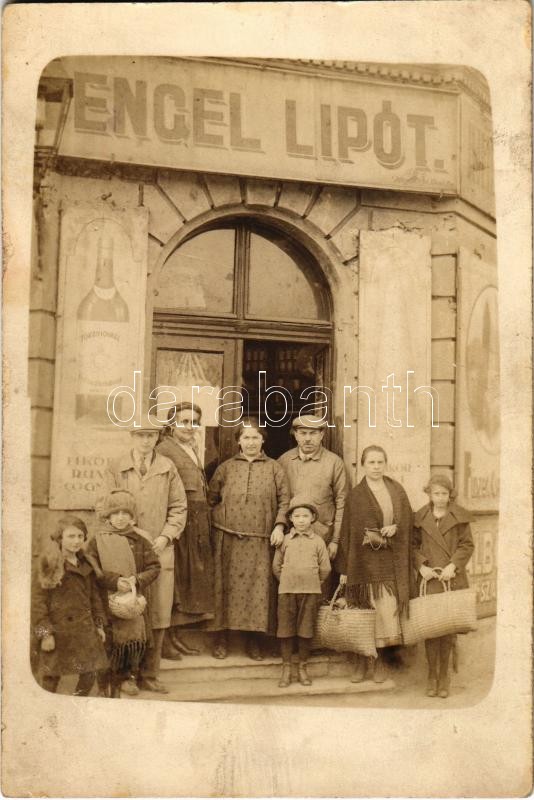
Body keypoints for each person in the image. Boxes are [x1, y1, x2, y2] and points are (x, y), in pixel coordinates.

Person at [99, 417, 187, 694]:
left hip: (159, 549)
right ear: (132, 436)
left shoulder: (167, 467)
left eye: (151, 435)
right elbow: (104, 504)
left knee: (158, 613)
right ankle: (126, 675)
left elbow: (179, 507)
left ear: (158, 437)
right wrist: (131, 530)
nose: (146, 440)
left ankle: (150, 674)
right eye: (140, 435)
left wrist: (165, 536)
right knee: (127, 609)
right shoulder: (116, 466)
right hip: (123, 546)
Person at [208, 418, 290, 660]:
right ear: (238, 441)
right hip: (228, 539)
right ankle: (221, 639)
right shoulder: (225, 468)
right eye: (246, 437)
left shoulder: (275, 468)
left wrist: (279, 526)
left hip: (260, 541)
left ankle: (254, 641)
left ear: (263, 440)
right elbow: (211, 499)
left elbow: (285, 501)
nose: (251, 442)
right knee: (224, 588)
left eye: (256, 437)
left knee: (258, 590)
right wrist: (218, 525)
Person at [336, 445, 413, 683]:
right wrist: (345, 569)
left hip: (388, 562)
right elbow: (347, 532)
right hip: (361, 564)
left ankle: (380, 662)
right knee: (362, 613)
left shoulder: (396, 490)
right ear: (363, 465)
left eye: (380, 462)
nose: (376, 467)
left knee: (384, 615)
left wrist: (396, 527)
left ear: (385, 464)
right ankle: (361, 663)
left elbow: (408, 521)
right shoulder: (356, 496)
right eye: (371, 462)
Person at [87, 489, 160, 698]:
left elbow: (154, 567)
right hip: (107, 599)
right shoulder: (97, 541)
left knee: (132, 639)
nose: (120, 518)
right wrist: (115, 581)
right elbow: (92, 569)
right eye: (115, 513)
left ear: (132, 517)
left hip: (131, 600)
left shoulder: (140, 540)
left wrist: (136, 580)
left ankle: (129, 677)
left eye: (125, 513)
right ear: (108, 516)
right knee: (108, 641)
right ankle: (105, 683)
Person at [156, 403, 213, 659]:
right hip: (179, 524)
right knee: (173, 580)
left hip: (196, 523)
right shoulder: (164, 450)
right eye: (184, 421)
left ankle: (175, 635)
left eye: (194, 422)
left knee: (185, 580)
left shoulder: (191, 448)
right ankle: (165, 640)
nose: (190, 427)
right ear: (172, 424)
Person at [413, 474, 475, 698]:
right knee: (431, 629)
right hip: (430, 579)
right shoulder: (420, 517)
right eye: (436, 493)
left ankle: (444, 677)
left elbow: (467, 545)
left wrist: (453, 565)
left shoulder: (459, 517)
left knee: (447, 630)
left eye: (444, 493)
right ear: (429, 494)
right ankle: (431, 676)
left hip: (451, 579)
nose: (440, 498)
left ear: (450, 495)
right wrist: (421, 566)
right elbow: (412, 546)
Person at [32, 515, 108, 696]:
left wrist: (99, 625)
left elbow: (94, 598)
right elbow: (37, 603)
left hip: (85, 629)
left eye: (80, 536)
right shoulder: (49, 562)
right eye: (71, 536)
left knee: (91, 671)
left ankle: (77, 702)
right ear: (60, 538)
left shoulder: (87, 563)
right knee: (51, 677)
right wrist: (45, 634)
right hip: (58, 631)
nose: (76, 541)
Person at [272, 495, 331, 688]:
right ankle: (286, 669)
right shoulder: (285, 540)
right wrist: (288, 580)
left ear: (312, 517)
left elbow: (325, 568)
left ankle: (303, 668)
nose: (301, 520)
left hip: (310, 592)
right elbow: (276, 567)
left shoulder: (318, 542)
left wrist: (313, 581)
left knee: (306, 631)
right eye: (297, 516)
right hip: (287, 592)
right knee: (286, 630)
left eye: (305, 516)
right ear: (290, 518)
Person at [277, 415, 347, 569]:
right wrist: (279, 528)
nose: (308, 438)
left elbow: (342, 503)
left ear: (321, 435)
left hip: (322, 539)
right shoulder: (283, 461)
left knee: (320, 580)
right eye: (303, 433)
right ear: (296, 435)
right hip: (290, 539)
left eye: (313, 433)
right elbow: (277, 501)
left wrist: (335, 540)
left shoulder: (334, 463)